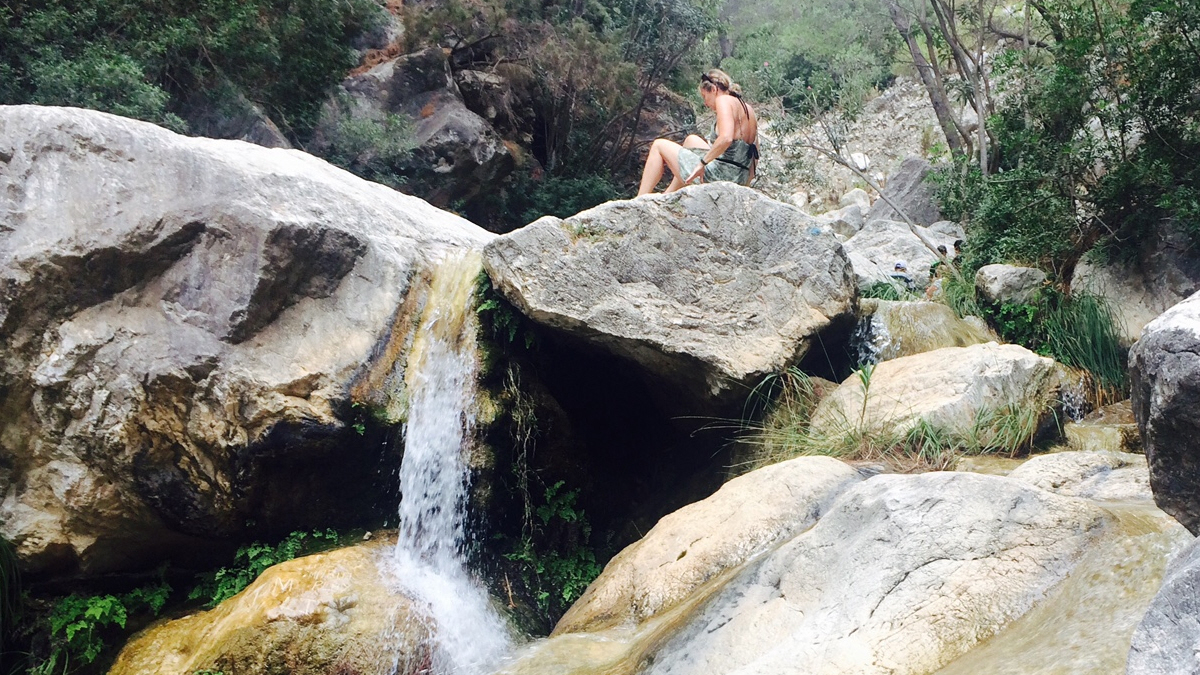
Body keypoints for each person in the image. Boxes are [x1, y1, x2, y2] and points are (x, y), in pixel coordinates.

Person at [637, 69, 759, 195]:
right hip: (738, 177)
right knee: (691, 140)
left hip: (719, 177)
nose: (705, 103)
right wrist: (745, 185)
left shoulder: (723, 100)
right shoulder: (748, 109)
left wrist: (702, 163)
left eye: (705, 96)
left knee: (658, 145)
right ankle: (668, 195)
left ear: (714, 89)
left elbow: (726, 138)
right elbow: (754, 154)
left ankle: (640, 200)